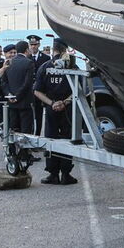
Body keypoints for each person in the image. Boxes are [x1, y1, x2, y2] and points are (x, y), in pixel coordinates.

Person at [33, 38, 78, 185]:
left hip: (51, 108)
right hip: (67, 109)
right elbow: (78, 90)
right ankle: (65, 174)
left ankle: (53, 174)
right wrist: (64, 102)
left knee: (51, 140)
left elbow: (37, 91)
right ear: (65, 50)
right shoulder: (72, 67)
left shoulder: (44, 67)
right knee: (66, 140)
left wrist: (52, 103)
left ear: (53, 49)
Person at [1, 40, 37, 134]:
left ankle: (13, 144)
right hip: (25, 102)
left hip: (11, 101)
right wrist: (17, 96)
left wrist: (9, 95)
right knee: (25, 130)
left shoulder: (9, 62)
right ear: (27, 50)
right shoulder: (29, 62)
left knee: (13, 129)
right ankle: (23, 145)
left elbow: (4, 82)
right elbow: (27, 83)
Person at [26, 35, 51, 135]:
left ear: (39, 45)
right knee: (29, 116)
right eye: (31, 45)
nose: (33, 47)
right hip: (28, 91)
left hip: (40, 91)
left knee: (39, 115)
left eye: (35, 44)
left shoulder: (46, 58)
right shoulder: (26, 57)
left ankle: (37, 134)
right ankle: (30, 134)